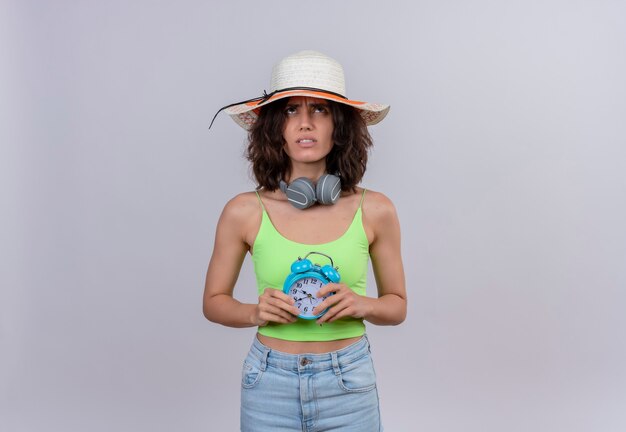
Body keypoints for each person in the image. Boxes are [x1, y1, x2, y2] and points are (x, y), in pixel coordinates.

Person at [204, 50, 407, 431]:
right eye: (291, 111)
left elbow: (397, 307)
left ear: (340, 125)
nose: (305, 124)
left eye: (320, 110)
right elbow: (214, 303)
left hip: (348, 380)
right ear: (275, 127)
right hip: (268, 381)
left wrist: (360, 303)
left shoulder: (375, 209)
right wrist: (254, 313)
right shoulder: (243, 211)